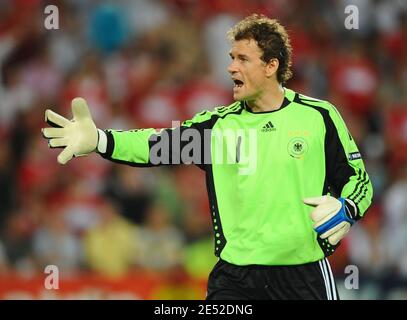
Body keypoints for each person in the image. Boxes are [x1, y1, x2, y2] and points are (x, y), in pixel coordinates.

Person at [42, 14, 373, 300]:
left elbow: (358, 180)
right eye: (232, 57)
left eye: (243, 59)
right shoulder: (218, 128)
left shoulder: (318, 117)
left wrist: (347, 207)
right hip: (236, 279)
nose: (231, 67)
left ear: (271, 65)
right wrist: (101, 139)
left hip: (303, 276)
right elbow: (157, 147)